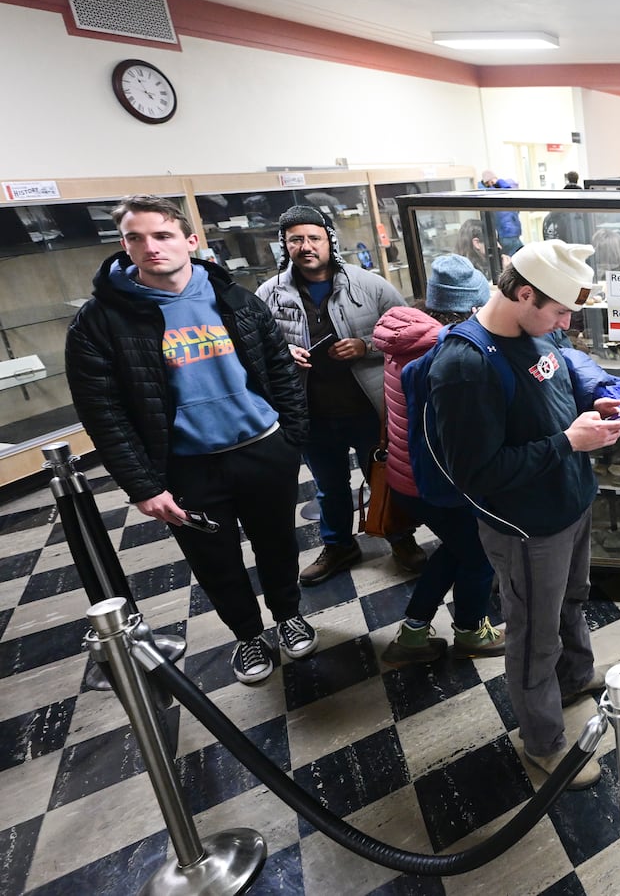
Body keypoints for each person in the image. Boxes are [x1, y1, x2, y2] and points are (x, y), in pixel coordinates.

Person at [65, 195, 317, 685]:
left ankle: (288, 616)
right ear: (123, 245)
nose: (149, 247)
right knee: (215, 561)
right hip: (186, 466)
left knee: (277, 545)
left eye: (161, 235)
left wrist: (291, 437)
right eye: (135, 238)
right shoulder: (100, 321)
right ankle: (247, 636)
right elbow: (104, 413)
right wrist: (143, 486)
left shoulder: (234, 297)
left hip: (263, 449)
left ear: (190, 240)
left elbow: (280, 372)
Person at [428, 239, 620, 787]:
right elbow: (478, 473)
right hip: (525, 526)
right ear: (522, 294)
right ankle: (542, 739)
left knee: (572, 599)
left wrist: (597, 395)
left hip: (569, 500)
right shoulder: (465, 365)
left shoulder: (537, 329)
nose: (565, 323)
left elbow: (562, 365)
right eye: (560, 311)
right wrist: (569, 441)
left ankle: (574, 677)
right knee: (533, 632)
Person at [256, 206, 423, 584]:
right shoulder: (269, 293)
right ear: (284, 245)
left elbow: (411, 334)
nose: (305, 246)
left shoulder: (372, 285)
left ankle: (400, 537)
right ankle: (339, 545)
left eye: (314, 238)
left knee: (384, 476)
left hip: (368, 408)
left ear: (329, 240)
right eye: (296, 239)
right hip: (310, 411)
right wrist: (282, 356)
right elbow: (254, 349)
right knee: (329, 488)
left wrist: (366, 346)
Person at [373, 255, 506, 666]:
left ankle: (413, 633)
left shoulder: (404, 335)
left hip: (406, 474)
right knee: (479, 553)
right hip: (438, 479)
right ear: (470, 308)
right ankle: (470, 630)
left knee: (455, 549)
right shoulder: (445, 352)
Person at [478, 169, 525, 256]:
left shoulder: (502, 192)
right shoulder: (490, 194)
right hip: (506, 235)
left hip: (510, 234)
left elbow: (509, 191)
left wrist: (497, 182)